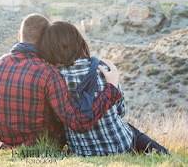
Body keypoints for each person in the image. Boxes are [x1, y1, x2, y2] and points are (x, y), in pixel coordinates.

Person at [0, 14, 122, 149]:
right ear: (47, 40)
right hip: (40, 145)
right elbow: (79, 123)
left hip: (2, 143)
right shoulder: (47, 72)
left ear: (19, 36)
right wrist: (111, 90)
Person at [40, 20, 170, 156]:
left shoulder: (53, 79)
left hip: (82, 151)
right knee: (139, 136)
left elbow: (57, 119)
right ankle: (165, 155)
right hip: (120, 144)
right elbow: (121, 111)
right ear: (78, 41)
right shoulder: (104, 70)